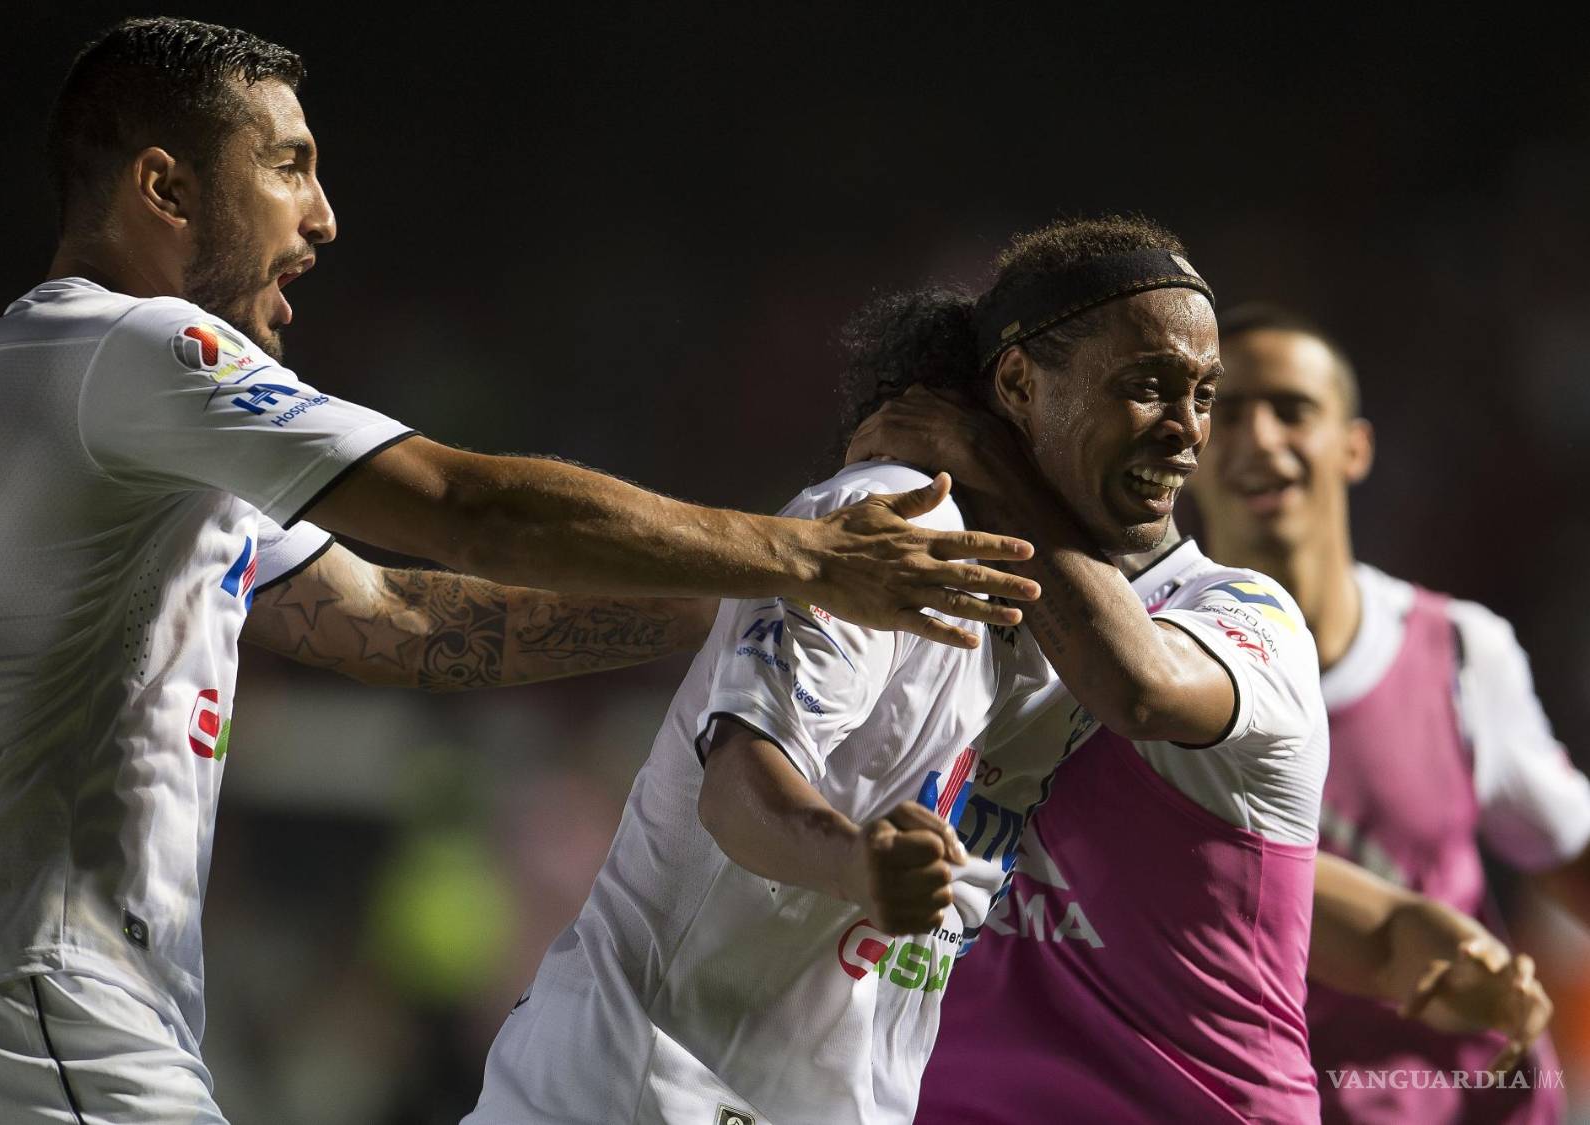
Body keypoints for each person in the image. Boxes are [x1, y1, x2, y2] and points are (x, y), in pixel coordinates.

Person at [0, 18, 1038, 1124]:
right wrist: (807, 555)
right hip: (45, 991)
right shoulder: (131, 348)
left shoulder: (13, 386)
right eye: (288, 167)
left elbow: (401, 618)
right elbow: (466, 509)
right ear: (165, 188)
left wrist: (753, 611)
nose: (322, 216)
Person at [464, 215, 1317, 1124]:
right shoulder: (889, 529)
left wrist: (989, 459)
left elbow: (1136, 683)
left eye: (1203, 393)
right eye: (1144, 387)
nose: (1187, 429)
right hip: (635, 1087)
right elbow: (738, 791)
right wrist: (858, 860)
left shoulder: (1191, 612)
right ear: (1018, 383)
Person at [1188, 304, 1590, 1122]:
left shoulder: (1458, 654)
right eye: (1225, 413)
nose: (1258, 437)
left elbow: (1570, 854)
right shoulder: (1151, 672)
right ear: (1187, 451)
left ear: (1354, 446)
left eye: (1291, 409)